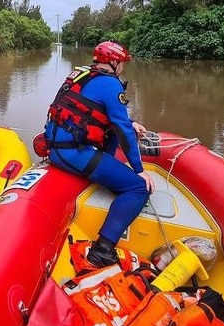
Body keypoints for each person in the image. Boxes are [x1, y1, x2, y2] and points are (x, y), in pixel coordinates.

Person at [44, 40, 155, 268]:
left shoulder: (80, 74)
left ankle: (107, 168)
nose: (123, 67)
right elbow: (122, 131)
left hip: (56, 148)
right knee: (138, 188)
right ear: (113, 62)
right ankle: (102, 250)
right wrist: (139, 170)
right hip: (73, 154)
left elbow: (87, 110)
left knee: (119, 128)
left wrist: (130, 123)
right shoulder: (111, 84)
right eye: (122, 63)